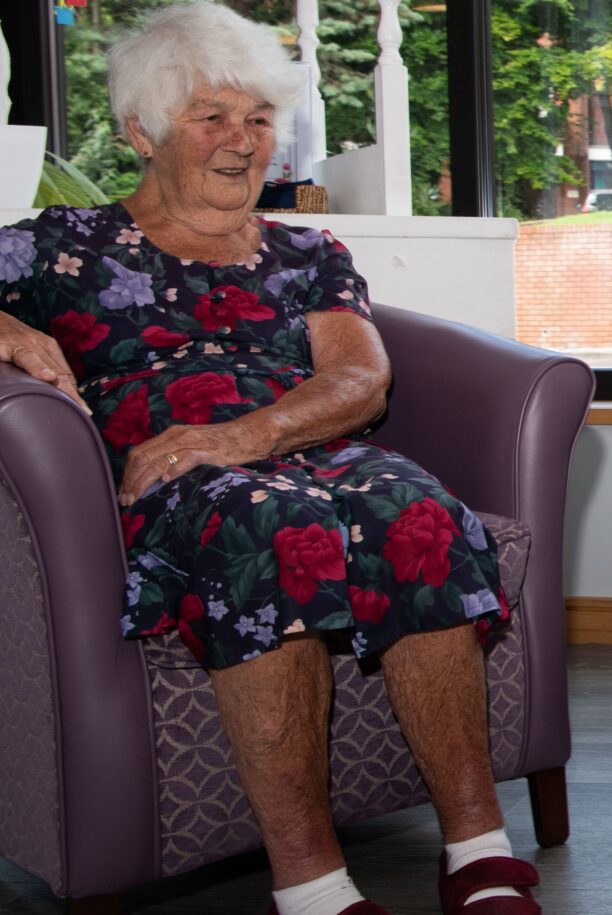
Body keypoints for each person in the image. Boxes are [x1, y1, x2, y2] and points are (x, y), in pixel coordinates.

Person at [0, 6, 542, 914]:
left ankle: (478, 848)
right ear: (143, 129)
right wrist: (8, 327)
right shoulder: (60, 246)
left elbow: (361, 378)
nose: (242, 141)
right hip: (173, 482)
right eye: (211, 115)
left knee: (424, 513)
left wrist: (242, 436)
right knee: (267, 526)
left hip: (310, 451)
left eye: (257, 119)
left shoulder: (306, 250)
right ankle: (313, 884)